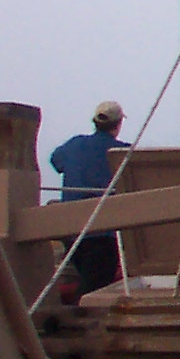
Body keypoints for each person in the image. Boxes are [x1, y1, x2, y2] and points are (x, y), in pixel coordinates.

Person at [48, 100, 130, 298]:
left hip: (71, 230)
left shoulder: (74, 144)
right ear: (119, 124)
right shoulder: (123, 153)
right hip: (104, 232)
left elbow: (56, 161)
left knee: (88, 280)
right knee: (94, 291)